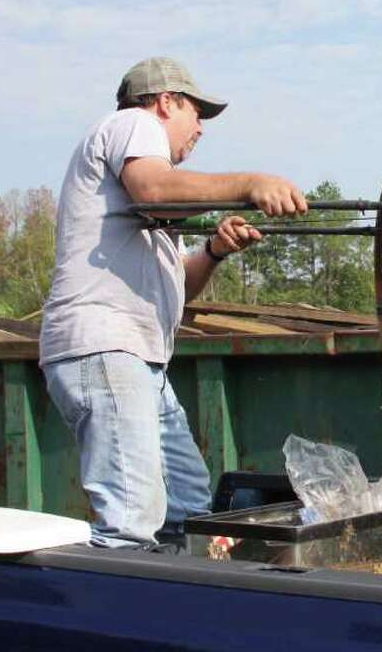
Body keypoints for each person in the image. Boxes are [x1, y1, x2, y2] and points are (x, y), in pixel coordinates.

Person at [38, 57, 307, 548]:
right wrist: (247, 184)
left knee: (187, 505)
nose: (200, 128)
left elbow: (180, 282)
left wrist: (215, 251)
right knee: (130, 521)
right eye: (196, 112)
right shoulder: (133, 125)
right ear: (165, 103)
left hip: (141, 361)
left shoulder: (150, 195)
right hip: (106, 349)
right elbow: (157, 189)